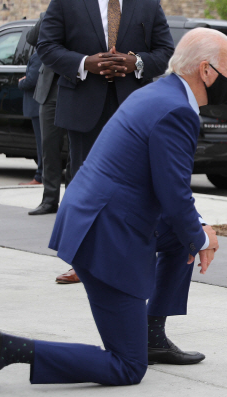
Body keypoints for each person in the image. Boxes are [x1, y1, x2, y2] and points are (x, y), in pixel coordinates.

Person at [0, 27, 227, 390]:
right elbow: (172, 193)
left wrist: (196, 232)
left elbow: (164, 183)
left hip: (99, 215)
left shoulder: (160, 93)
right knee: (127, 366)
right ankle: (7, 349)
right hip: (105, 235)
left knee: (181, 239)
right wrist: (201, 239)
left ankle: (151, 336)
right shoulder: (176, 110)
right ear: (206, 70)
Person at [36, 0, 175, 284]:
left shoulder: (148, 4)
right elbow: (47, 47)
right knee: (84, 186)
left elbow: (165, 51)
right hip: (83, 106)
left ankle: (126, 259)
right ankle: (82, 261)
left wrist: (136, 63)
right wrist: (85, 63)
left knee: (134, 185)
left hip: (134, 107)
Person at [27, 13, 71, 217]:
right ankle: (49, 200)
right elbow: (31, 38)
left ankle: (72, 200)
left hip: (76, 88)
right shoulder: (51, 13)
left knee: (75, 150)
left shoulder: (88, 14)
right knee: (49, 147)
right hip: (49, 89)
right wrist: (49, 13)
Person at [17, 49, 43, 187]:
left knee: (42, 145)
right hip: (40, 107)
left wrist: (21, 81)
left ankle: (40, 176)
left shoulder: (38, 55)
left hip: (37, 106)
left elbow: (31, 80)